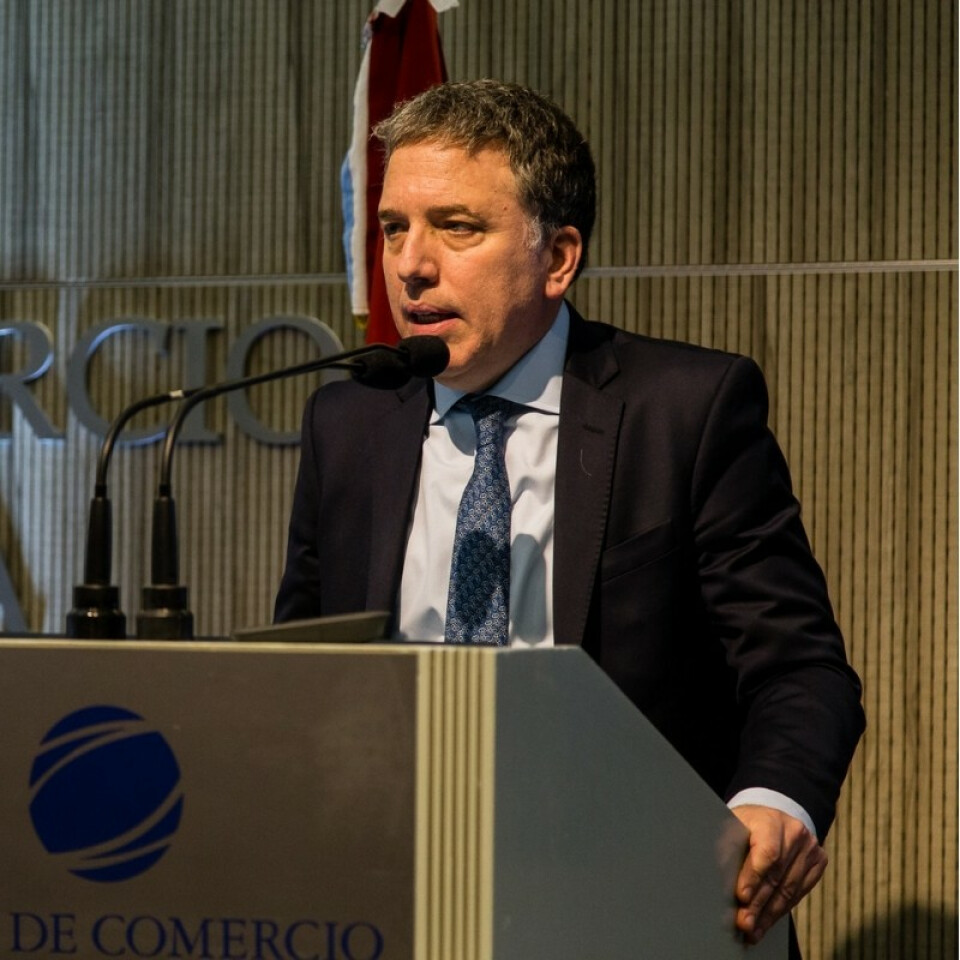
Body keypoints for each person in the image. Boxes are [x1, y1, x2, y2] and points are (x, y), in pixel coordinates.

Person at [275, 79, 865, 956]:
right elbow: (301, 671)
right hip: (401, 892)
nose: (410, 265)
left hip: (636, 896)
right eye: (395, 227)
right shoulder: (350, 422)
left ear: (557, 257)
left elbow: (799, 670)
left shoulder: (684, 410)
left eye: (456, 227)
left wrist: (773, 802)